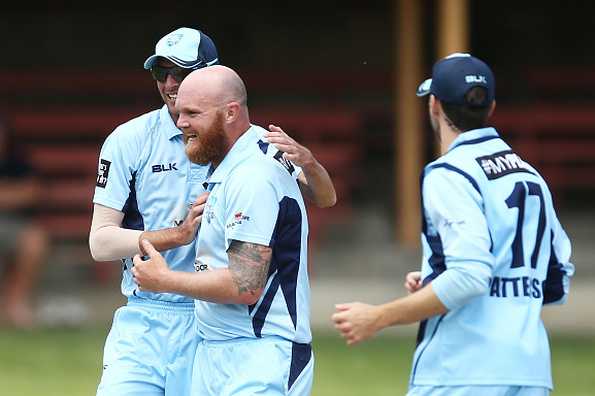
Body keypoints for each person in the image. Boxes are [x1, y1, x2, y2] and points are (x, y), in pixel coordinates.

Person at [89, 27, 334, 395]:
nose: (171, 84)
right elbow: (100, 243)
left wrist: (311, 163)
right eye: (161, 73)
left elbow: (323, 197)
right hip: (148, 312)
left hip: (213, 319)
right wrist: (177, 236)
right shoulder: (129, 140)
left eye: (182, 73)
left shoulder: (245, 148)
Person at [331, 53, 574, 396]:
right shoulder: (530, 175)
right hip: (530, 371)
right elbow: (554, 280)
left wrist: (379, 317)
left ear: (434, 106)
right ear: (490, 108)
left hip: (462, 370)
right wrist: (438, 283)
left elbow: (470, 276)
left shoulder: (450, 173)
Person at [131, 65, 314, 396]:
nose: (180, 122)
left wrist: (165, 280)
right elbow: (324, 194)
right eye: (178, 111)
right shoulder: (237, 159)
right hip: (215, 349)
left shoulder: (252, 177)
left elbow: (246, 285)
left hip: (259, 353)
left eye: (192, 113)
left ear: (231, 113)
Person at [0, 117, 49, 328]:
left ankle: (14, 304)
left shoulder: (16, 161)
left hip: (13, 223)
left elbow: (31, 193)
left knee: (34, 241)